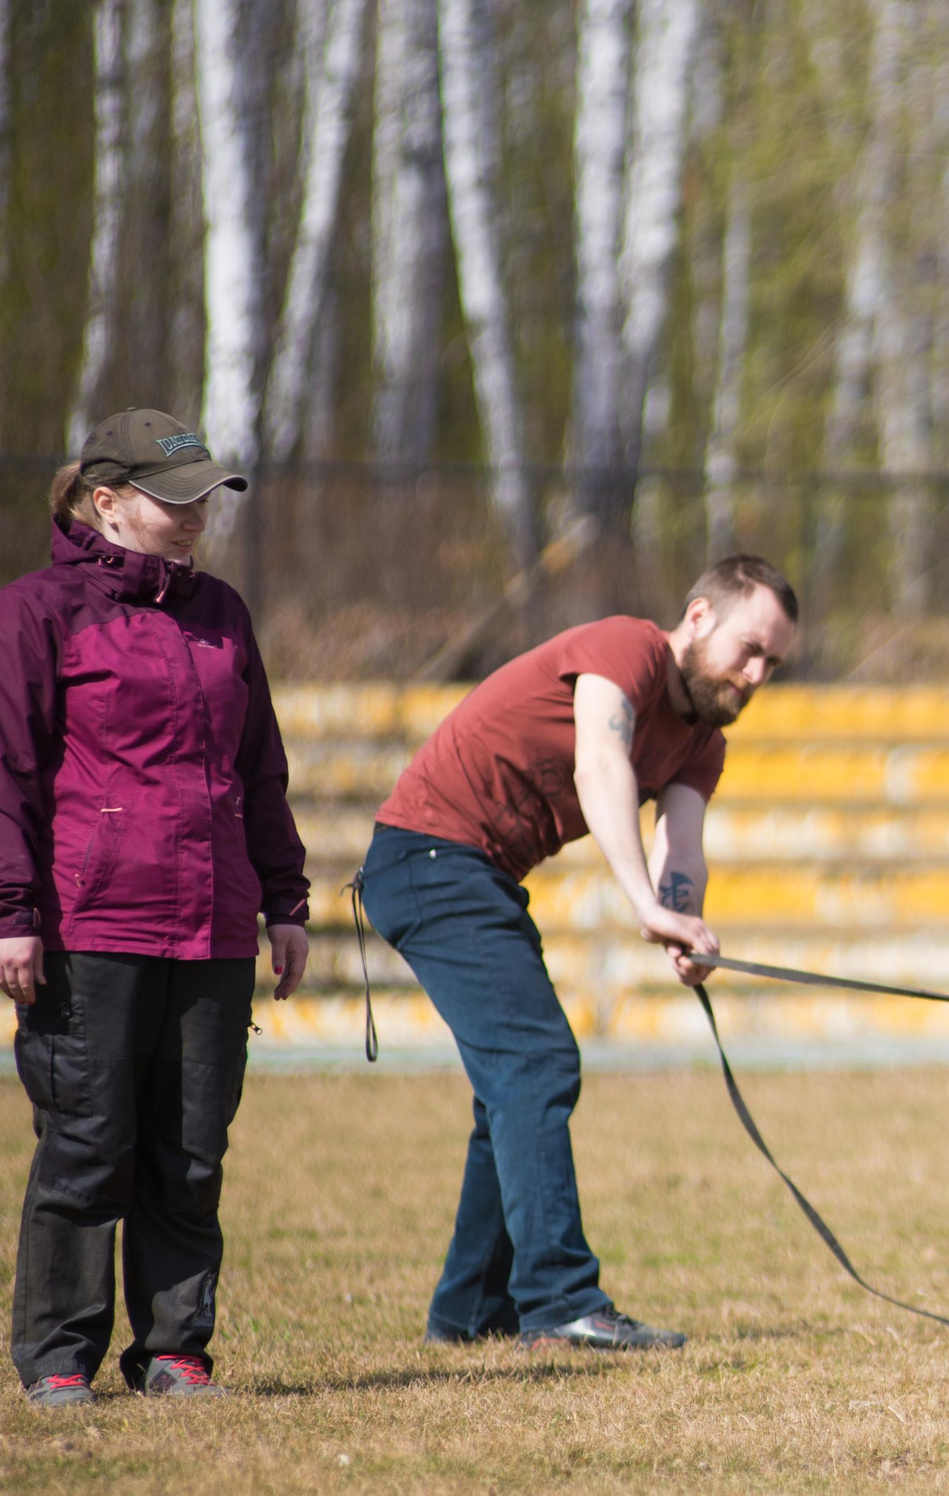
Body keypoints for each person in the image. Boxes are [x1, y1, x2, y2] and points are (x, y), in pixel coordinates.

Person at [356, 557, 796, 1351]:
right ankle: (559, 1300)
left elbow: (682, 844)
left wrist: (684, 923)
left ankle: (467, 1312)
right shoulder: (626, 648)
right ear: (698, 617)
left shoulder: (704, 740)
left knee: (512, 1084)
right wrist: (642, 904)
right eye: (750, 648)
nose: (757, 674)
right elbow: (601, 762)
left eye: (773, 662)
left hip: (476, 874)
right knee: (535, 1059)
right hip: (426, 856)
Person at [2, 409, 312, 1407]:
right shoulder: (37, 611)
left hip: (212, 922)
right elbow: (7, 771)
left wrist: (284, 898)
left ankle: (176, 1349)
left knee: (191, 1146)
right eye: (173, 500)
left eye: (204, 499)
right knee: (89, 1140)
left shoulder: (224, 612)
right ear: (107, 502)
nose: (194, 517)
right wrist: (12, 909)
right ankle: (58, 1356)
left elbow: (260, 765)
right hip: (92, 922)